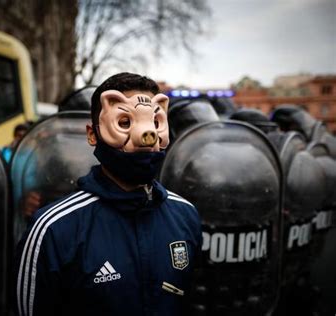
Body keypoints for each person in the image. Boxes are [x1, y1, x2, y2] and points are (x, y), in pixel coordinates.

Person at [14, 72, 202, 316]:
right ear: (92, 134)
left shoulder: (185, 215)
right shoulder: (52, 229)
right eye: (124, 123)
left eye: (155, 123)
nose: (148, 137)